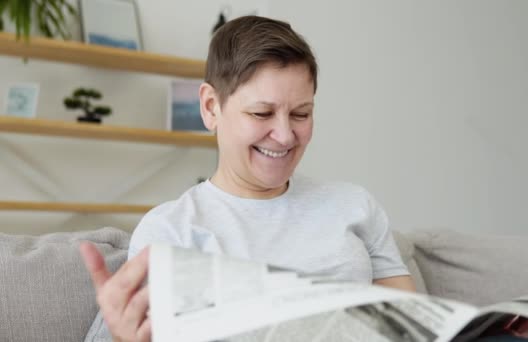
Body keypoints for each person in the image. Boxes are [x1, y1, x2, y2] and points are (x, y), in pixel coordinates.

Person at [81, 15, 415, 342]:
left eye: (301, 113)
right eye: (261, 113)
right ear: (212, 107)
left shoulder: (355, 205)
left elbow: (416, 326)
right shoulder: (170, 231)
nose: (285, 136)